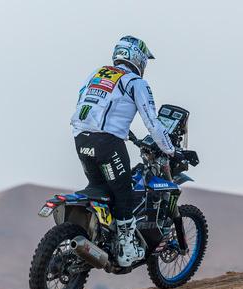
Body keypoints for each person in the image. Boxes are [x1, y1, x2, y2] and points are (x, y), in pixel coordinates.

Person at [70, 35, 178, 267]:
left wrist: (124, 131)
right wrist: (170, 150)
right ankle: (126, 249)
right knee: (124, 193)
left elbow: (87, 104)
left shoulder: (98, 74)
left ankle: (101, 238)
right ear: (138, 58)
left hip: (80, 138)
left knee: (101, 188)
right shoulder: (135, 82)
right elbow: (152, 122)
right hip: (107, 144)